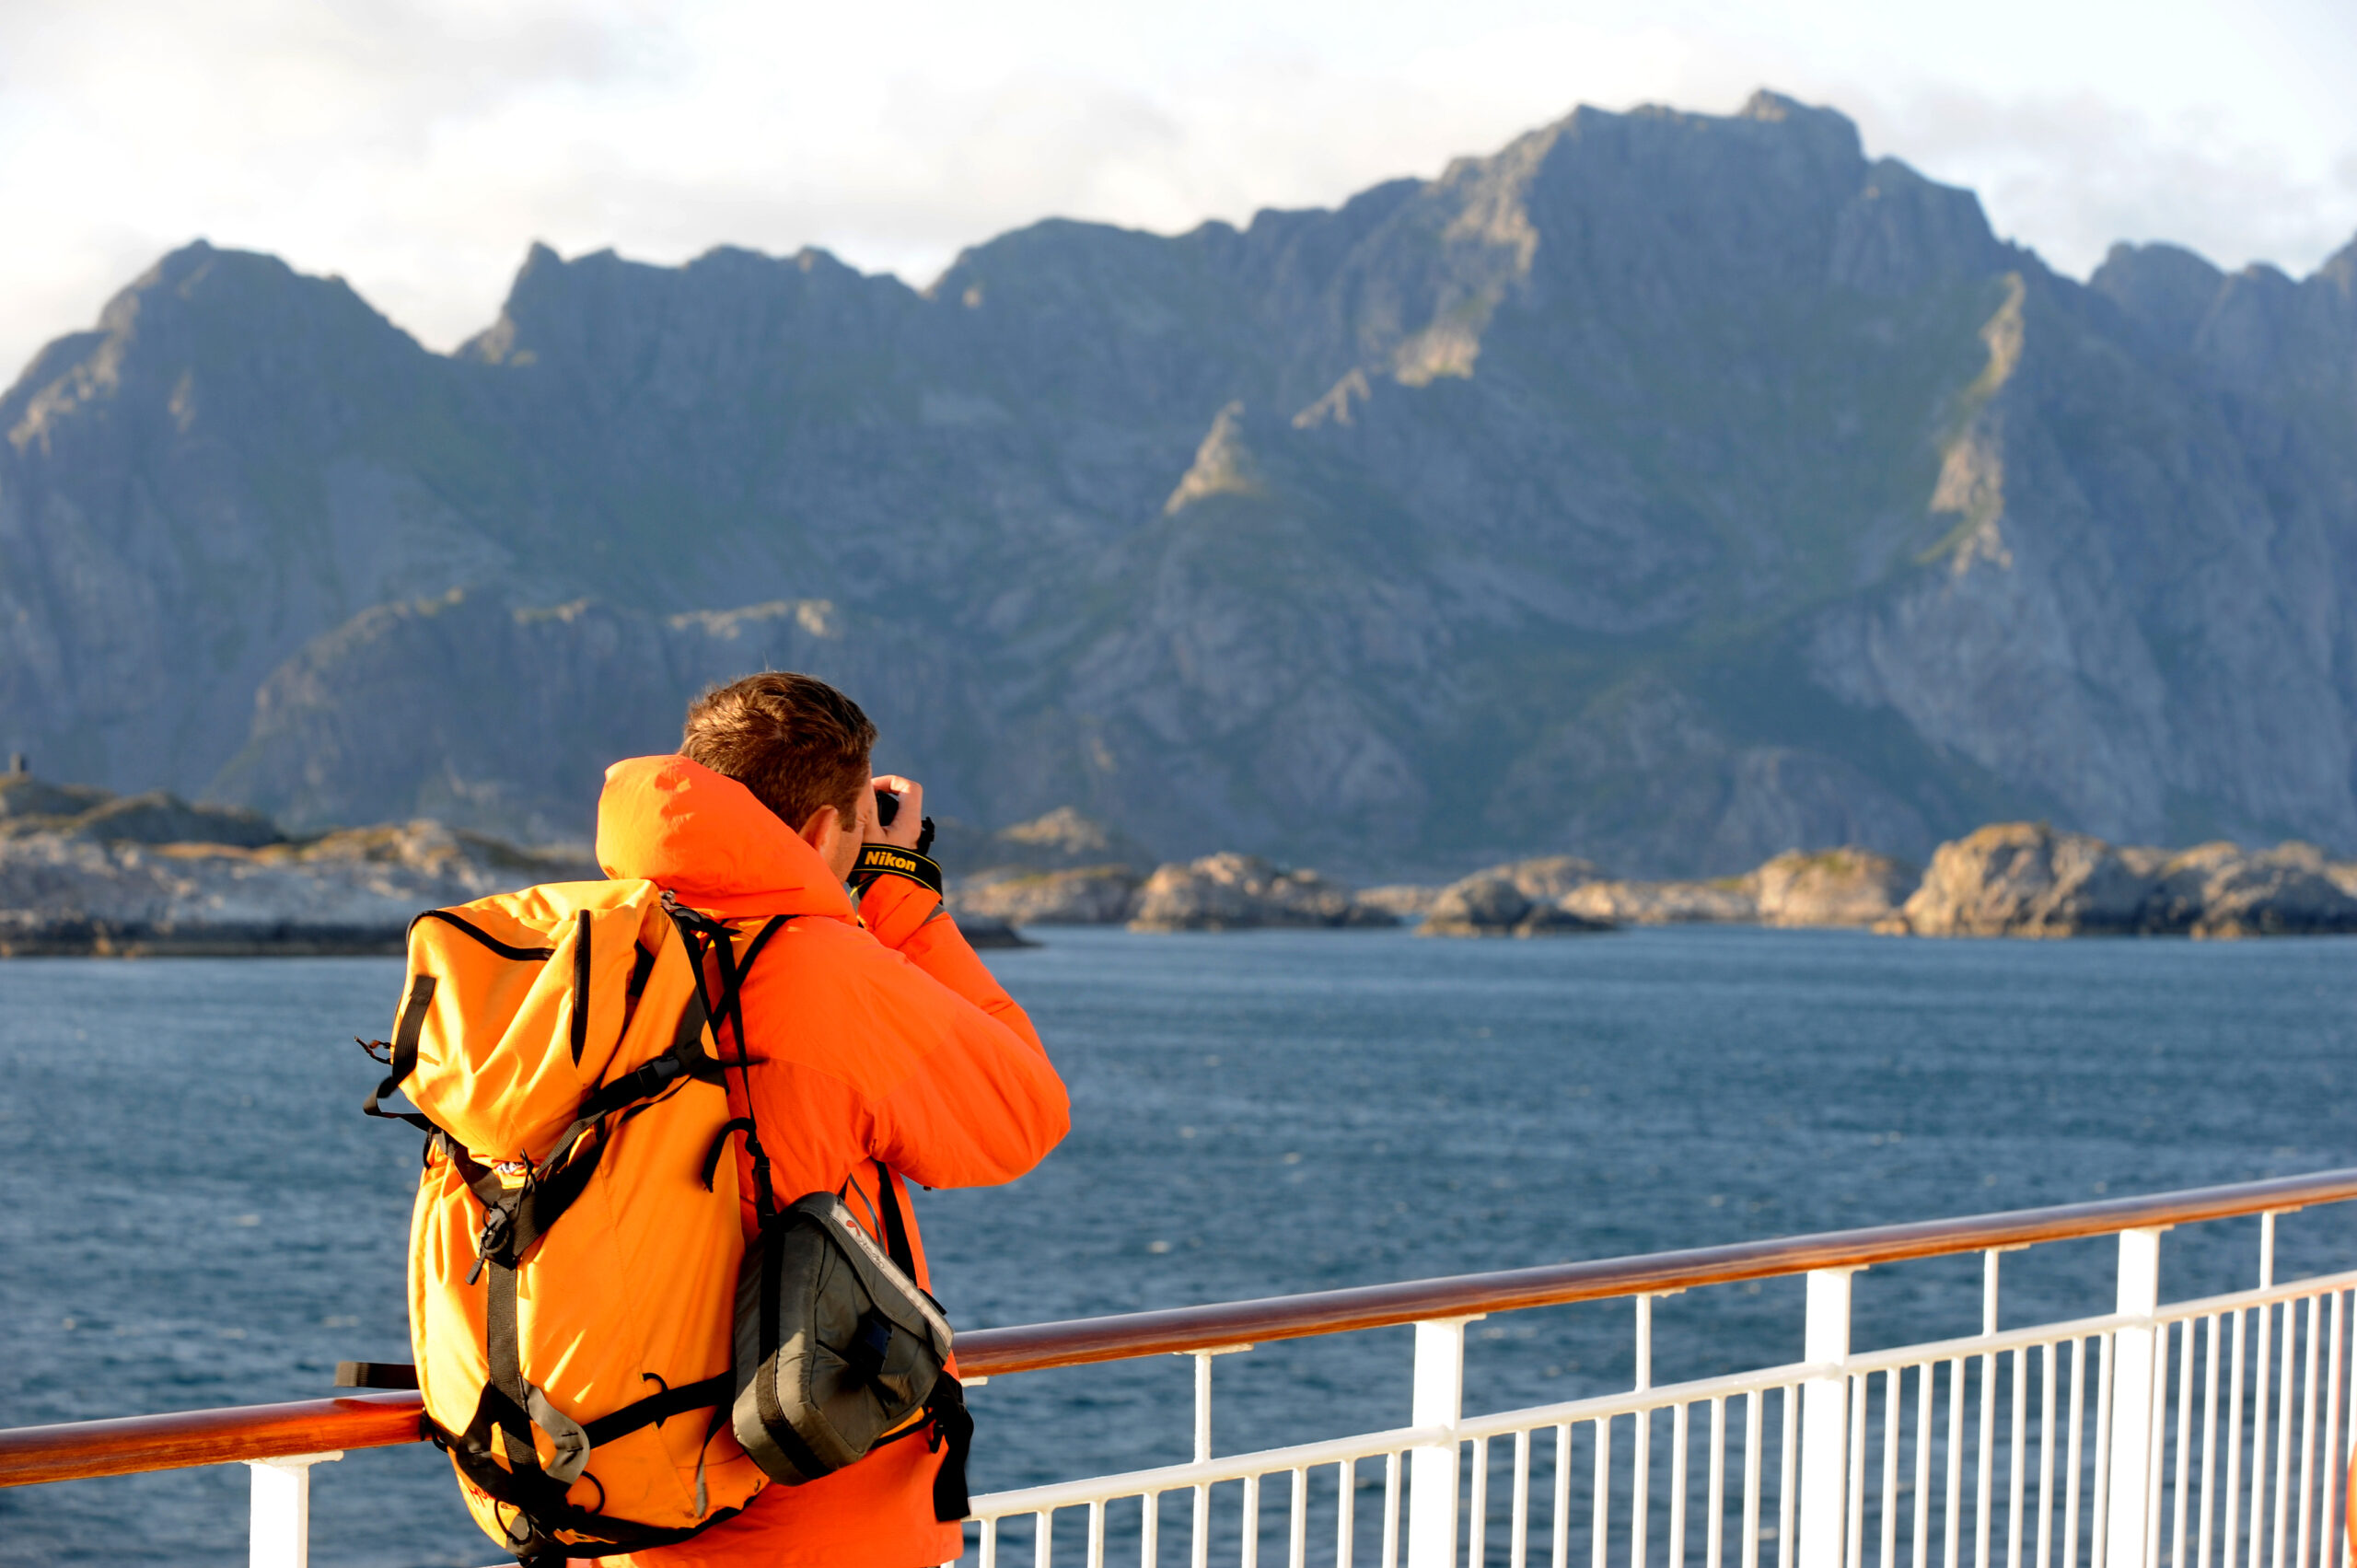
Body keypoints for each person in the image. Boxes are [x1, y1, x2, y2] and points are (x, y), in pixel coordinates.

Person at [591, 670, 1071, 1568]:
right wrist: (898, 885)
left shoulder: (587, 953)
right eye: (857, 823)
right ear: (821, 830)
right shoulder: (826, 976)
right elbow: (1023, 1109)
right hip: (809, 1511)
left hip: (609, 1489)